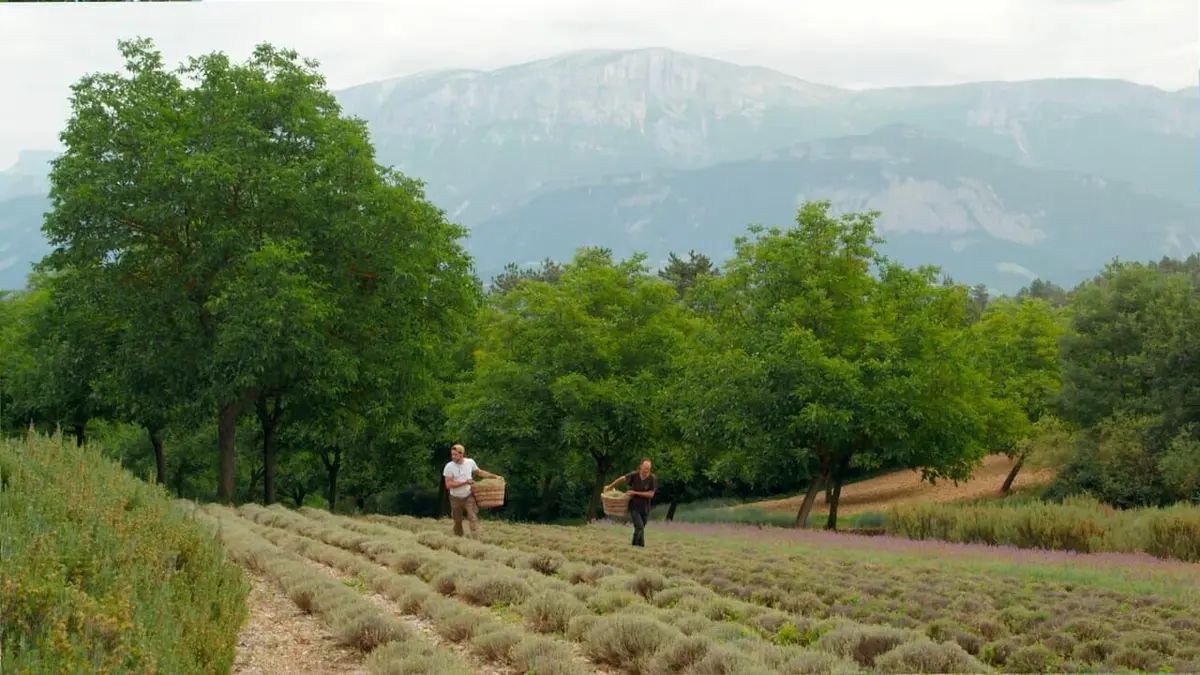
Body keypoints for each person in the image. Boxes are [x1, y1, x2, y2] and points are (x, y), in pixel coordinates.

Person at [442, 444, 502, 538]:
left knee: (472, 517)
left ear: (461, 454)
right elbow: (448, 485)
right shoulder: (449, 466)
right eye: (452, 454)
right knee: (457, 521)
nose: (453, 456)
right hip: (455, 498)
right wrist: (465, 482)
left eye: (455, 454)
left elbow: (480, 472)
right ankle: (458, 539)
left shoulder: (470, 462)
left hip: (468, 496)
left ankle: (476, 538)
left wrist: (494, 476)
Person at [604, 458, 657, 547]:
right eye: (645, 468)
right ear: (641, 466)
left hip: (645, 507)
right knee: (639, 527)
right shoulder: (634, 475)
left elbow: (651, 494)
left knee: (640, 528)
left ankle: (639, 546)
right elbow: (622, 478)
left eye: (648, 469)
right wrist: (610, 486)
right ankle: (636, 546)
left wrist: (635, 493)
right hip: (634, 506)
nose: (646, 471)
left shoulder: (652, 479)